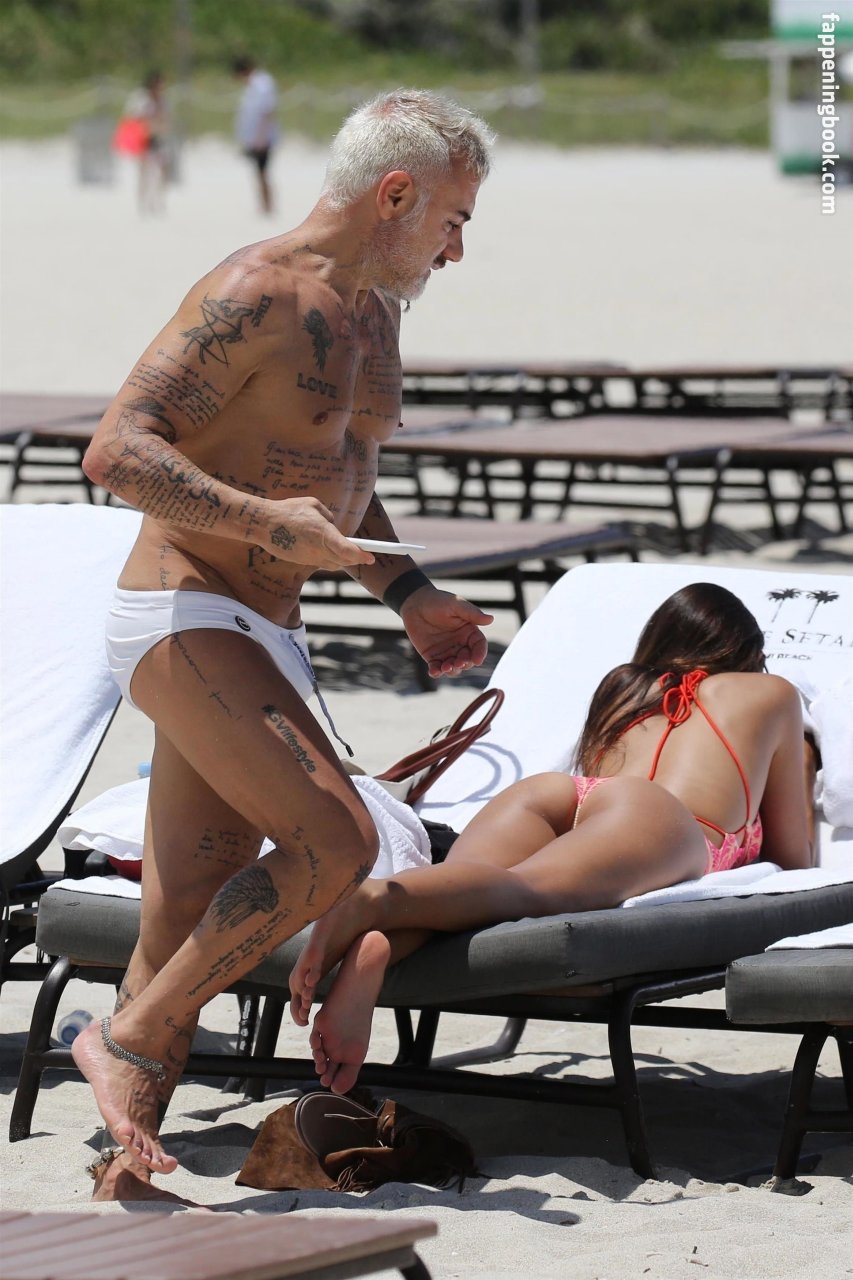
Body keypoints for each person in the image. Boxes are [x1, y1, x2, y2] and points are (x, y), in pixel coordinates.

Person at [72, 88, 495, 1202]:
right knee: (332, 840)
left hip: (266, 628)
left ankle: (126, 1171)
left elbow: (341, 480)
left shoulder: (376, 315)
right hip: (183, 607)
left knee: (184, 904)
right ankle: (124, 1038)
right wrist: (264, 525)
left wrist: (408, 593)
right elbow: (116, 452)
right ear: (393, 195)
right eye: (451, 219)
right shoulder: (254, 290)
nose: (457, 250)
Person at [288, 582, 816, 1097]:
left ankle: (380, 946)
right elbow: (795, 859)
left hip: (559, 795)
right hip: (662, 821)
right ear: (747, 652)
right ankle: (379, 898)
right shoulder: (771, 692)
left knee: (464, 888)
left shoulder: (624, 687)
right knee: (522, 890)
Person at [114, 71, 171, 215]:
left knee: (160, 173)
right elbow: (132, 117)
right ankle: (143, 203)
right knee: (144, 173)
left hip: (158, 139)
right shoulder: (141, 99)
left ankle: (157, 202)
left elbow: (165, 119)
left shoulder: (162, 100)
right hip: (143, 140)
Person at [232, 56, 279, 213]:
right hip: (255, 138)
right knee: (259, 172)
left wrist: (261, 137)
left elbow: (267, 112)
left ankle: (268, 206)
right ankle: (264, 205)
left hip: (263, 137)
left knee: (262, 171)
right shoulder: (253, 85)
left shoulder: (262, 84)